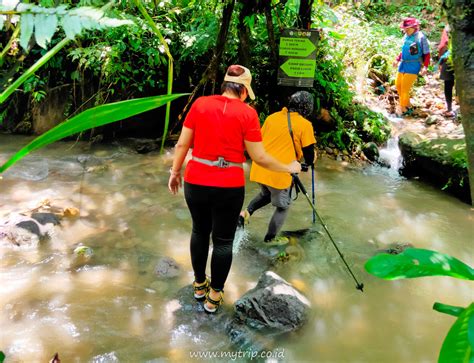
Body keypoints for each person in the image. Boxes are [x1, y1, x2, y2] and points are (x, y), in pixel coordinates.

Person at [168, 65, 301, 314]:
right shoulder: (248, 113)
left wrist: (175, 172)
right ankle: (214, 297)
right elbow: (259, 157)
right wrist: (289, 167)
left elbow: (182, 144)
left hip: (195, 180)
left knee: (199, 230)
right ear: (243, 90)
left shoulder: (200, 104)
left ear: (224, 85)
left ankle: (199, 285)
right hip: (227, 186)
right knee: (223, 240)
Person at [239, 91, 316, 245]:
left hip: (260, 167)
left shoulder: (272, 118)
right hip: (280, 174)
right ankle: (270, 239)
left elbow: (260, 141)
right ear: (307, 108)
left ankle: (245, 214)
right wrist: (310, 159)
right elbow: (309, 158)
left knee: (266, 194)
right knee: (283, 207)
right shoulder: (305, 125)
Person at [393, 17, 431, 117]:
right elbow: (404, 50)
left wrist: (425, 67)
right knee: (398, 85)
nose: (405, 30)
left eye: (407, 28)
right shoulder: (406, 36)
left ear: (414, 27)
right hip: (403, 63)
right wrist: (397, 60)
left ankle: (402, 109)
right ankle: (408, 105)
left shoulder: (421, 37)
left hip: (414, 64)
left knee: (405, 88)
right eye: (404, 28)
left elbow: (427, 54)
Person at [438, 24, 456, 117]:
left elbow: (443, 45)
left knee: (448, 85)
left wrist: (440, 60)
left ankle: (449, 109)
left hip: (449, 59)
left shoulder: (448, 26)